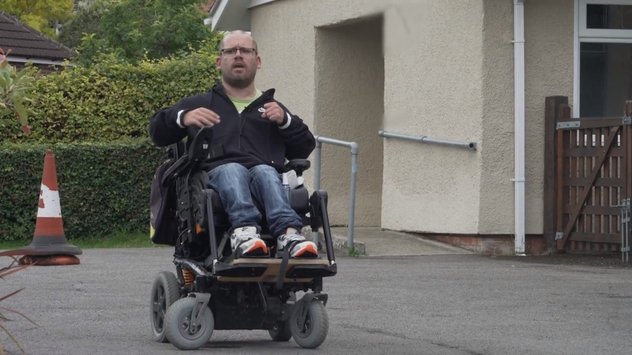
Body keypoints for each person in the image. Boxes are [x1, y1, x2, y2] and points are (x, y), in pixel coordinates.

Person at [149, 30, 318, 259]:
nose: (238, 55)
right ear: (219, 62)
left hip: (265, 180)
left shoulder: (272, 108)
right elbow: (157, 132)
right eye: (231, 51)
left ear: (257, 61)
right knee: (233, 168)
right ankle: (244, 232)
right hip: (216, 179)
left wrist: (286, 121)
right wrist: (183, 117)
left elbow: (304, 147)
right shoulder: (201, 103)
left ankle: (289, 235)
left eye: (245, 50)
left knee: (266, 171)